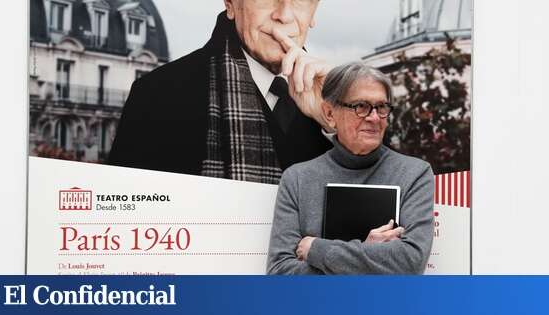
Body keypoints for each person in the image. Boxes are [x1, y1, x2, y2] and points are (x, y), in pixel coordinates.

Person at [108, 0, 333, 184]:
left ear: (314, 13)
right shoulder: (157, 94)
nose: (284, 15)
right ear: (231, 5)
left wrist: (336, 121)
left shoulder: (336, 102)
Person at [267, 62, 434, 274]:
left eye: (381, 107)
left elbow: (411, 261)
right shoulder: (298, 179)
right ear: (329, 114)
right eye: (361, 106)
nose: (374, 118)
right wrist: (369, 255)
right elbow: (280, 272)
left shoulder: (414, 174)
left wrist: (317, 249)